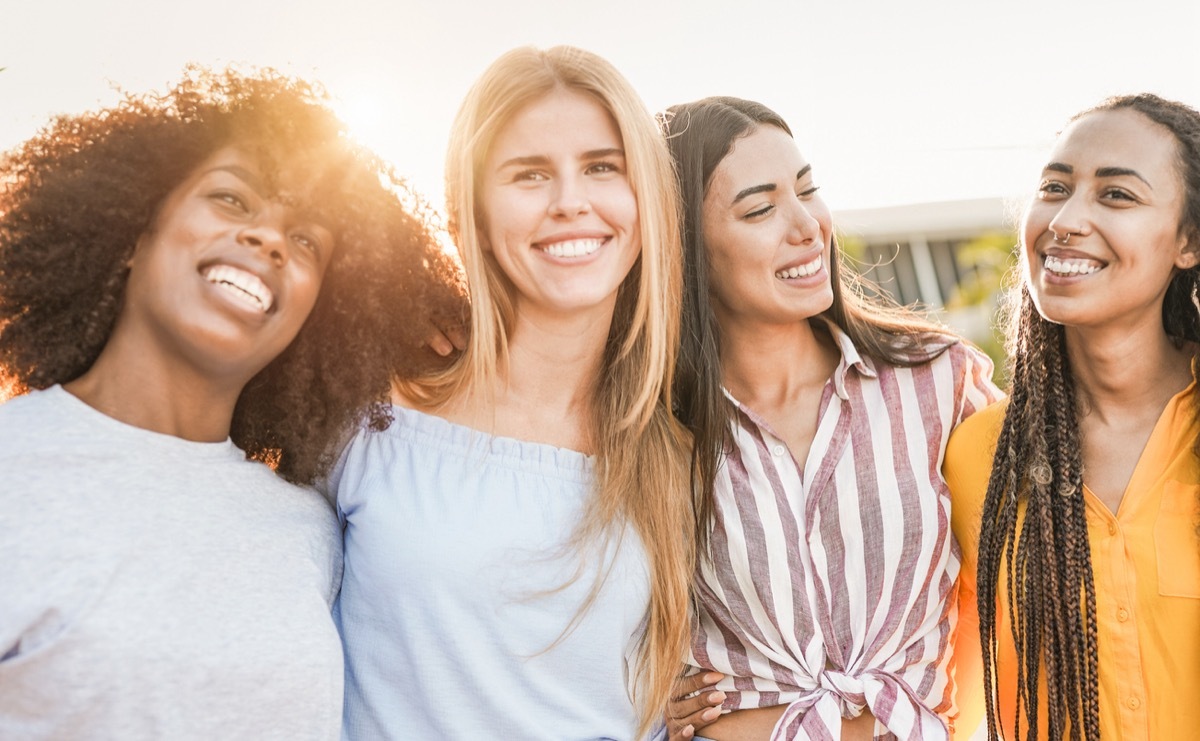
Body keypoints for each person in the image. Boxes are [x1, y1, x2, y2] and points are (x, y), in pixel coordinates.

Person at [0, 67, 463, 740]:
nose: (270, 240)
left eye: (306, 240)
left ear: (320, 312)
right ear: (132, 230)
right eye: (232, 199)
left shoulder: (311, 527)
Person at [331, 45, 693, 740]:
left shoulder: (677, 453)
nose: (570, 202)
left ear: (646, 199)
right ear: (471, 215)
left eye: (601, 166)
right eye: (529, 175)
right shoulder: (374, 414)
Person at [659, 97, 1001, 740]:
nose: (806, 225)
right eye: (760, 209)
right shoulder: (656, 431)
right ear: (686, 249)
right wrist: (652, 702)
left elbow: (1028, 587)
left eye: (808, 190)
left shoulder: (942, 383)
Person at [945, 94, 1200, 740]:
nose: (1066, 219)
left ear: (1188, 241)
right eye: (1054, 188)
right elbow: (936, 701)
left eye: (1116, 196)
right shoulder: (977, 457)